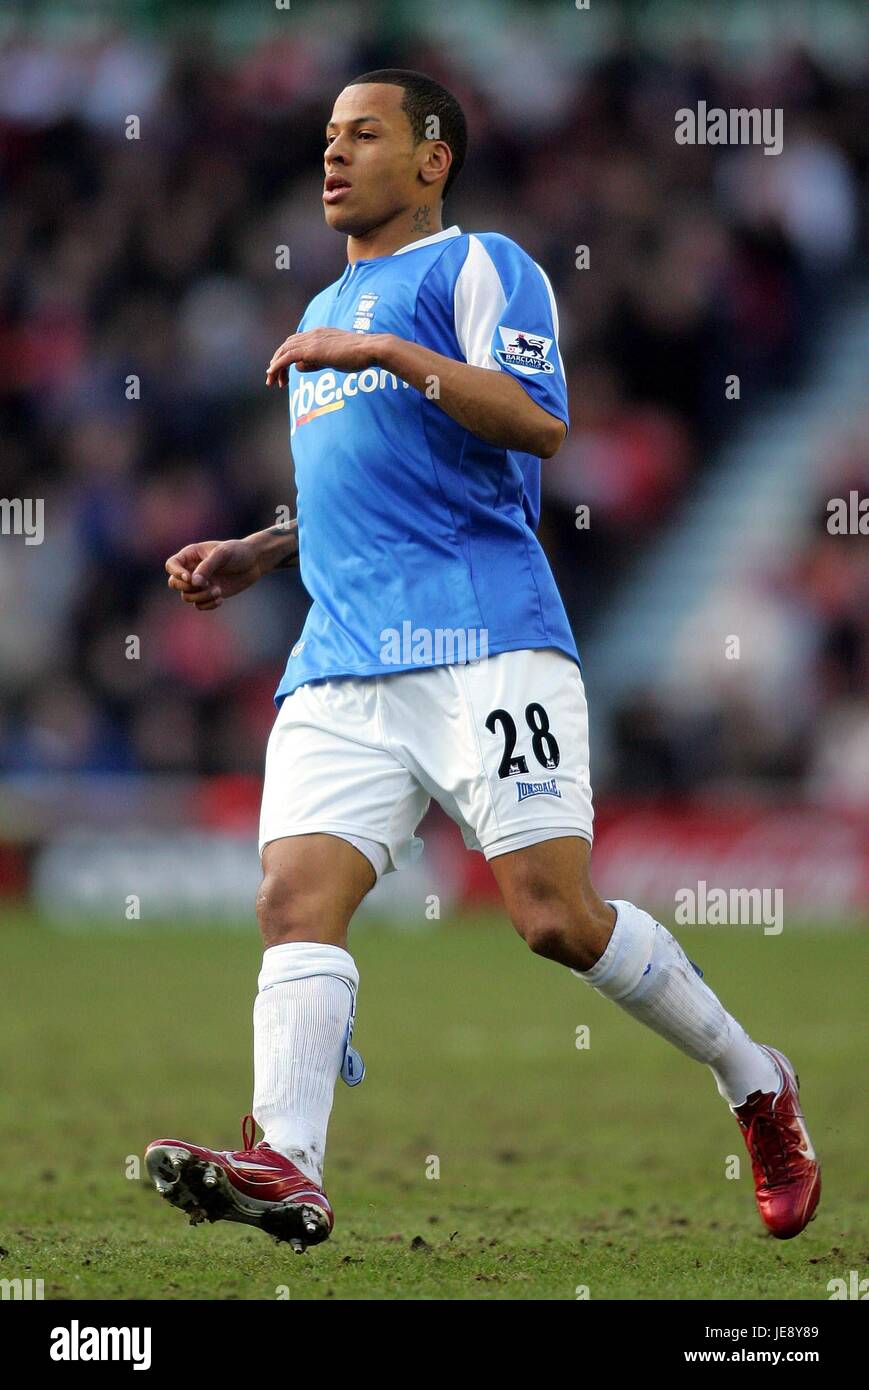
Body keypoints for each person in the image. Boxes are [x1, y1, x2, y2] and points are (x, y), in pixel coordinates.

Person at [146, 70, 819, 1251]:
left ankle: (753, 1081)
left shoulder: (478, 269)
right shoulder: (329, 302)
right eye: (326, 138)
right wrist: (259, 548)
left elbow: (534, 421)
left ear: (432, 158)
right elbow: (374, 486)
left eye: (364, 135)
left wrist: (382, 347)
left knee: (554, 918)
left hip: (483, 639)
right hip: (343, 656)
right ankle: (286, 1162)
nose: (333, 156)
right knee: (294, 899)